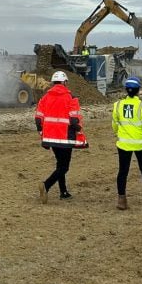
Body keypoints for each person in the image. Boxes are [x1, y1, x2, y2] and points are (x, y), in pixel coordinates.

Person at [34, 70, 88, 203]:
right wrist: (79, 131)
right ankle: (46, 185)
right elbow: (75, 120)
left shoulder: (45, 97)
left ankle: (63, 192)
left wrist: (42, 133)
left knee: (60, 164)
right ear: (64, 82)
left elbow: (38, 119)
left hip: (50, 138)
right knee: (64, 167)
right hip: (65, 137)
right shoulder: (71, 97)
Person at [112, 76, 142, 210]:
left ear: (126, 90)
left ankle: (121, 200)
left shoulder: (117, 105)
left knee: (122, 171)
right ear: (138, 90)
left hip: (123, 144)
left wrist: (118, 133)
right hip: (141, 145)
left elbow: (115, 124)